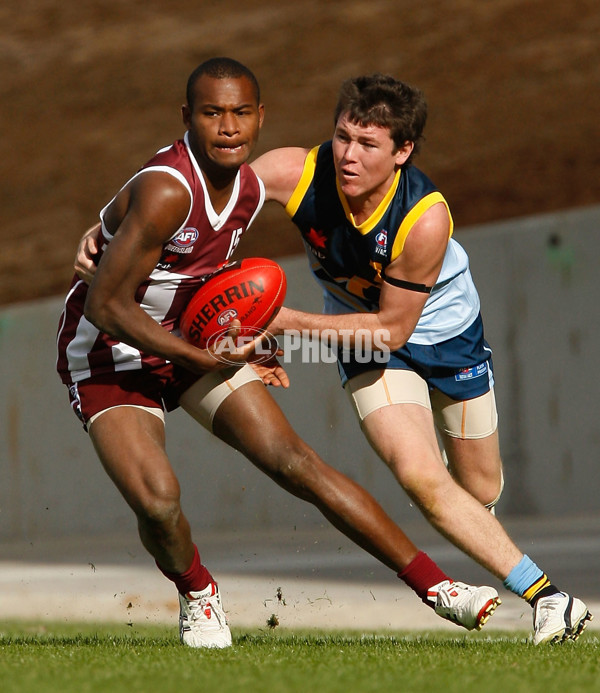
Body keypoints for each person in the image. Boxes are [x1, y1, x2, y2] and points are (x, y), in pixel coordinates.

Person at [59, 58, 502, 649]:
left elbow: (201, 270)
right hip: (110, 351)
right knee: (160, 501)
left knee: (298, 464)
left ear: (261, 117)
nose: (228, 127)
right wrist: (203, 356)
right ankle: (198, 592)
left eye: (242, 113)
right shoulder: (168, 188)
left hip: (192, 338)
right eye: (212, 113)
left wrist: (242, 337)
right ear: (186, 117)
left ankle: (438, 588)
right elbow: (105, 306)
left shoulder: (249, 186)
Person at [248, 73, 592, 645]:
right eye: (342, 136)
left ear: (402, 152)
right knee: (421, 479)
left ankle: (481, 525)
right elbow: (203, 203)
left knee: (476, 490)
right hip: (364, 341)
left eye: (368, 144)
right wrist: (112, 225)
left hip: (443, 335)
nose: (348, 155)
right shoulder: (294, 172)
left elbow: (391, 328)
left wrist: (281, 323)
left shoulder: (425, 217)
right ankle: (551, 600)